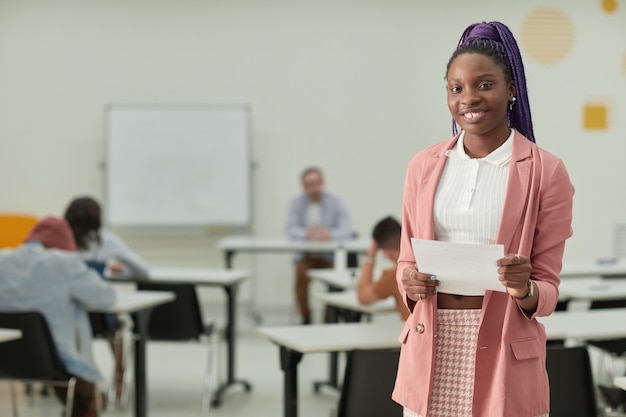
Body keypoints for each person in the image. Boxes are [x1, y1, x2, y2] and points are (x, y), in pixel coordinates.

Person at [392, 21, 574, 417]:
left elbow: (548, 290)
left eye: (484, 85)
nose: (468, 98)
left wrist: (524, 288)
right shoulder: (423, 166)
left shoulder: (546, 172)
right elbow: (407, 260)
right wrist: (408, 279)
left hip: (504, 350)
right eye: (456, 88)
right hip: (431, 346)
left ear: (511, 90)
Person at [0, 217, 116, 417]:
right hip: (55, 361)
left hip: (6, 358)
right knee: (82, 385)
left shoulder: (2, 259)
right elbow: (105, 297)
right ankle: (89, 405)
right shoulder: (64, 262)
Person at [63, 196, 150, 401]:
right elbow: (143, 272)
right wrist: (110, 271)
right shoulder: (104, 241)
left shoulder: (62, 239)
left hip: (65, 317)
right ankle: (120, 377)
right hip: (99, 319)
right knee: (116, 326)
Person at [286, 166, 353, 324]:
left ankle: (328, 319)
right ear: (303, 187)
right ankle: (306, 318)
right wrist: (305, 234)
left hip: (329, 258)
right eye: (308, 185)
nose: (313, 189)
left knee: (335, 283)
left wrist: (329, 234)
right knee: (300, 278)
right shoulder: (296, 203)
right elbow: (290, 229)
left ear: (322, 183)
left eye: (315, 183)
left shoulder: (336, 202)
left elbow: (347, 230)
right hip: (306, 257)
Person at [63, 196, 150, 279]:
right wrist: (115, 271)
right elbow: (142, 271)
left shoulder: (59, 238)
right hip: (94, 293)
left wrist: (108, 270)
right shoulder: (105, 240)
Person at [357, 216, 409, 321]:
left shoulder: (393, 276)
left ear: (386, 252)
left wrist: (370, 256)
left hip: (412, 335)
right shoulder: (420, 265)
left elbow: (362, 296)